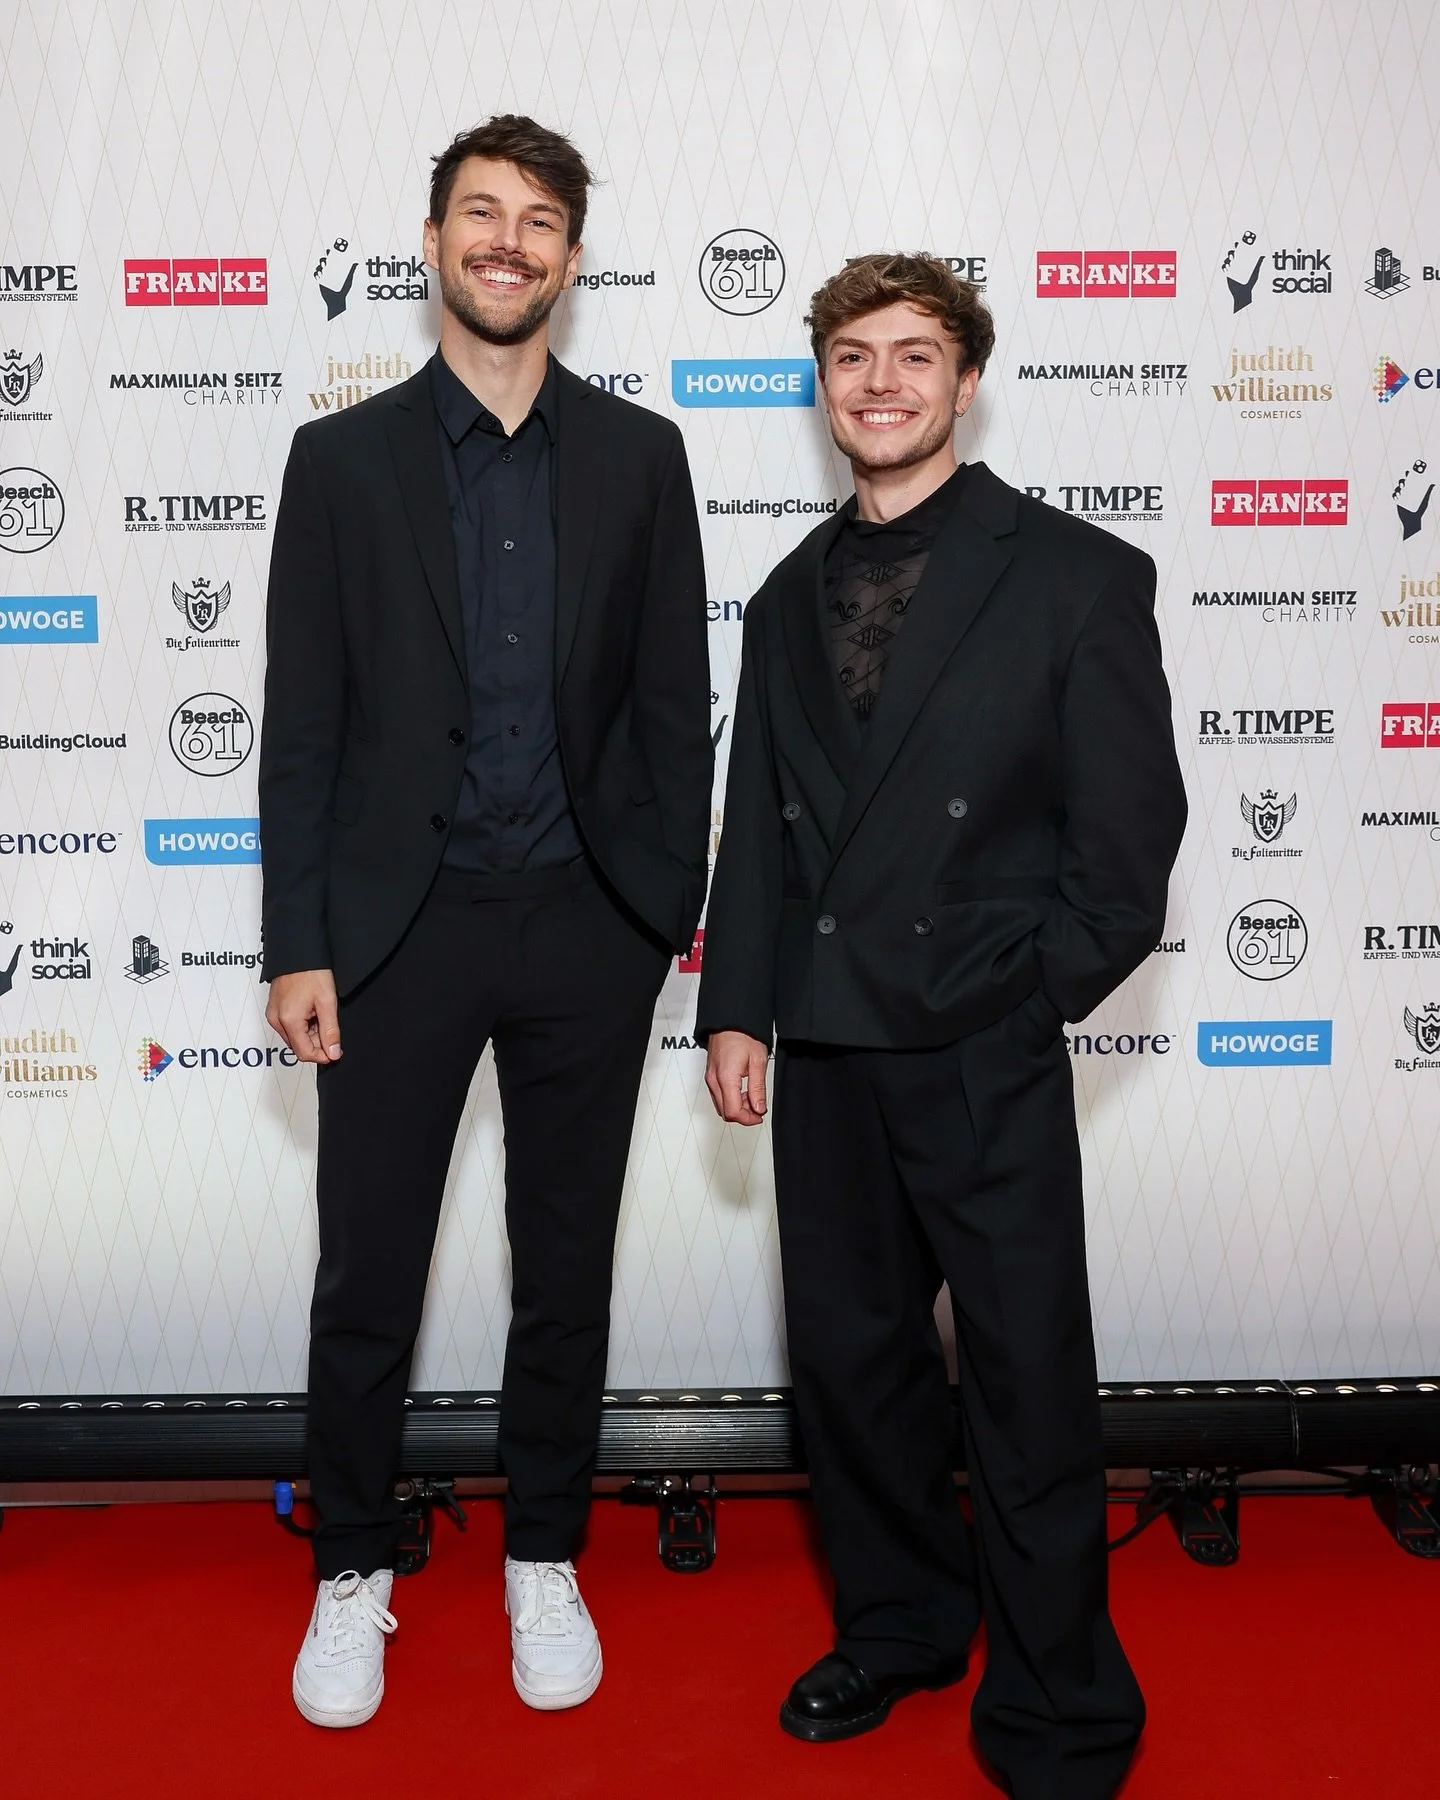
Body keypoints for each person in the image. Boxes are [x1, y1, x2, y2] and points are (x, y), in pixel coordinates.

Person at [696, 252, 1186, 1798]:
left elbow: (1129, 844)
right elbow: (759, 834)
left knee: (1030, 1381)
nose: (882, 383)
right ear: (821, 384)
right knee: (853, 1371)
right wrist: (736, 1008)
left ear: (968, 380)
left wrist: (1028, 994)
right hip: (828, 1044)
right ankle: (906, 1621)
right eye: (852, 357)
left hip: (980, 1039)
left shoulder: (1073, 575)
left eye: (915, 355)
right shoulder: (782, 594)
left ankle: (1060, 1707)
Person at [259, 114, 710, 1728]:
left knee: (564, 1266)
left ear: (572, 257)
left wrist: (664, 906)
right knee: (365, 1271)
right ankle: (351, 1573)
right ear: (433, 241)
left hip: (587, 927)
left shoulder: (645, 459)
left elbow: (676, 703)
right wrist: (294, 938)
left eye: (537, 220)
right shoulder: (341, 461)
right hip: (394, 932)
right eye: (479, 213)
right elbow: (300, 723)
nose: (507, 241)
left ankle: (541, 1553)